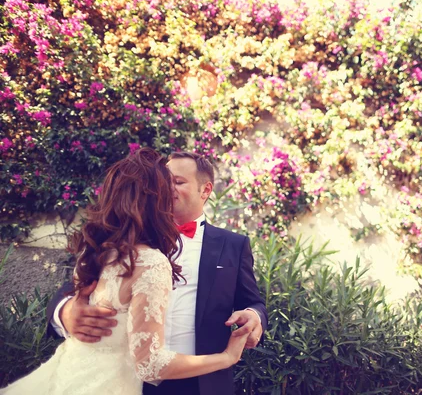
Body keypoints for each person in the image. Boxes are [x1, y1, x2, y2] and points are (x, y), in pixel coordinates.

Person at [0, 148, 249, 395]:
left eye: (178, 182)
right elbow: (77, 290)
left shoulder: (233, 245)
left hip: (196, 382)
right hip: (130, 381)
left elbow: (252, 302)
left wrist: (254, 315)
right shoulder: (122, 252)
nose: (170, 189)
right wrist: (64, 312)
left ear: (205, 190)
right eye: (166, 182)